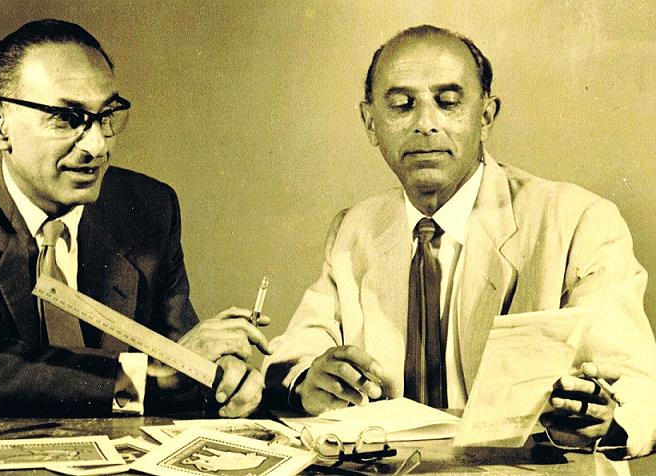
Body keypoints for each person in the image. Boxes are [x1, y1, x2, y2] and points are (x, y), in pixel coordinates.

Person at [263, 24, 656, 457]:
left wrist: (603, 421)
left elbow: (639, 385)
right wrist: (311, 378)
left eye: (448, 103)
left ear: (485, 117)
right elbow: (301, 346)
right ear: (371, 123)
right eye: (402, 105)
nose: (425, 124)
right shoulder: (355, 228)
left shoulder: (577, 221)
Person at [0, 19, 267, 452]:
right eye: (68, 118)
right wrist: (144, 376)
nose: (98, 146)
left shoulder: (148, 207)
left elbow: (182, 361)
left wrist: (223, 377)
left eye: (106, 116)